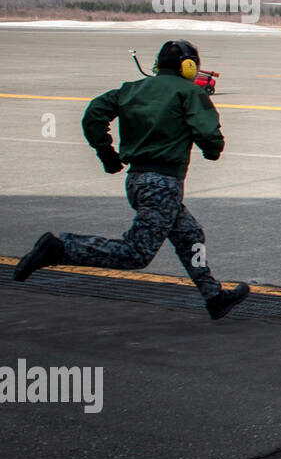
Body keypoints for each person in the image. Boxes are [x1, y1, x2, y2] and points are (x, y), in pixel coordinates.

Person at [13, 40, 250, 319]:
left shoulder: (131, 89)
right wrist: (212, 149)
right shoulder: (189, 92)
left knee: (190, 235)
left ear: (158, 65)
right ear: (188, 66)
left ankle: (213, 296)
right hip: (163, 184)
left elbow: (94, 115)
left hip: (137, 180)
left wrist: (107, 154)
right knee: (135, 253)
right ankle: (61, 248)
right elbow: (209, 136)